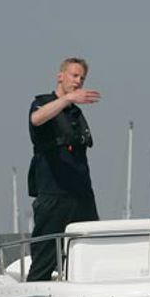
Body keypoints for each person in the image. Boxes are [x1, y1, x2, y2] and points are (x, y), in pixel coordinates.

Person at [27, 56, 100, 282]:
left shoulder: (75, 113)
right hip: (54, 194)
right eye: (74, 75)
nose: (78, 81)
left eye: (82, 78)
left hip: (81, 194)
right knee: (45, 258)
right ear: (61, 76)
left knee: (93, 250)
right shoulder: (44, 103)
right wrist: (68, 98)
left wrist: (71, 102)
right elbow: (36, 119)